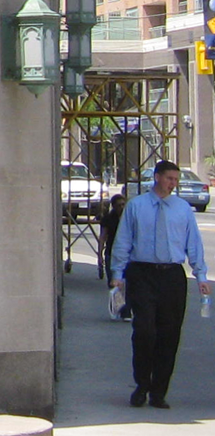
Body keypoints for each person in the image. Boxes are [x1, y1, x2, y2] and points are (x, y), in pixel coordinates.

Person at [109, 159, 210, 407]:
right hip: (142, 273)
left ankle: (158, 391)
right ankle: (142, 385)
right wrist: (117, 274)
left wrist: (201, 276)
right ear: (157, 177)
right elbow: (123, 240)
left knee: (169, 334)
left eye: (176, 180)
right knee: (144, 331)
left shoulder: (182, 209)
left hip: (172, 276)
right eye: (169, 179)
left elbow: (193, 243)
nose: (172, 184)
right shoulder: (137, 206)